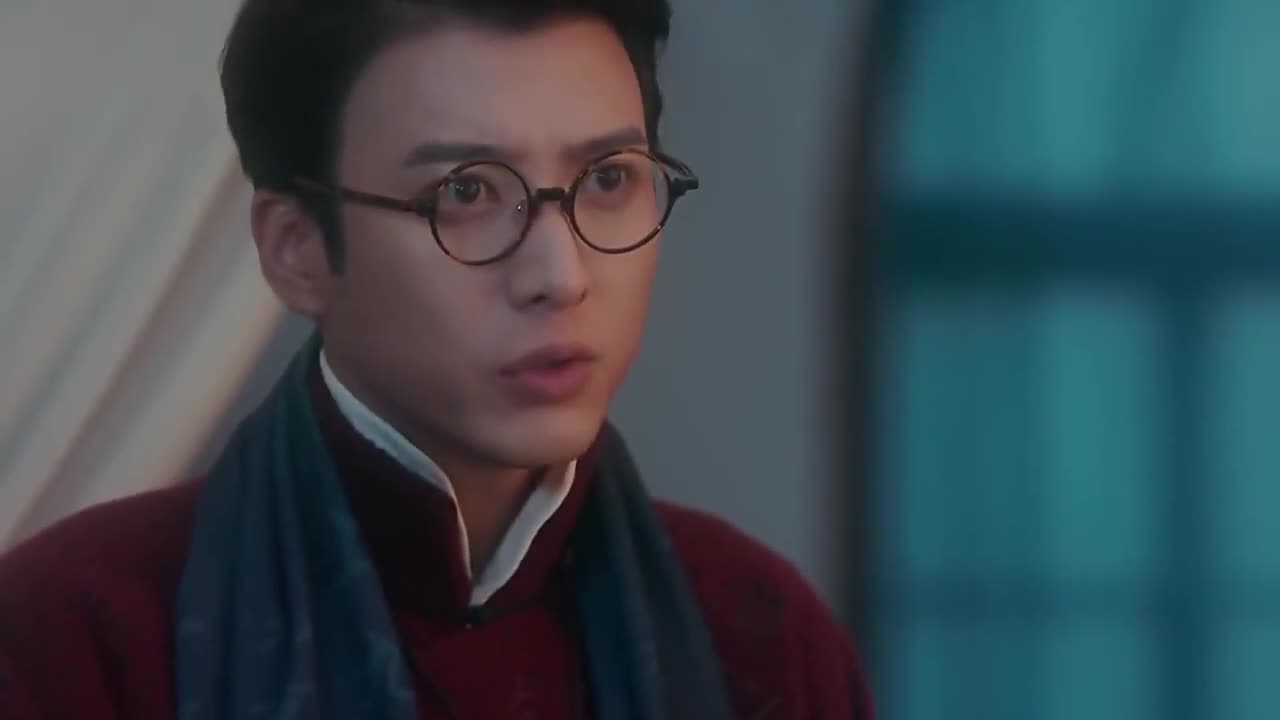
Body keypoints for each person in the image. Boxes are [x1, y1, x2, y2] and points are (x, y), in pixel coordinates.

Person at [0, 1, 874, 717]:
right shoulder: (74, 636)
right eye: (466, 193)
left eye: (608, 180)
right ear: (297, 248)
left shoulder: (758, 634)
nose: (561, 275)